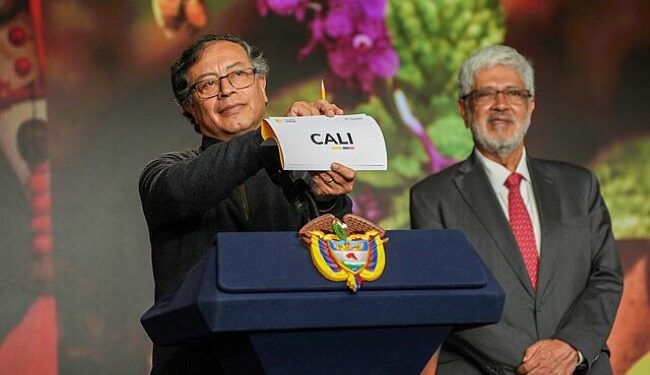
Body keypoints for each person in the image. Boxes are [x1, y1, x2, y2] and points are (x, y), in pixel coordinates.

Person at [139, 33, 356, 374]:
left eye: (238, 75)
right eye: (207, 84)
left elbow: (339, 259)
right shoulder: (163, 175)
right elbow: (187, 190)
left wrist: (328, 201)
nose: (227, 90)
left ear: (262, 85)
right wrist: (272, 135)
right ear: (187, 107)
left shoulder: (300, 177)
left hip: (294, 360)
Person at [410, 45, 623, 375]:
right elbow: (448, 296)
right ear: (464, 110)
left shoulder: (580, 186)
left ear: (531, 105)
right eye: (485, 94)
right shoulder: (432, 198)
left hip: (579, 367)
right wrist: (535, 365)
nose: (501, 105)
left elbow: (606, 276)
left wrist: (569, 347)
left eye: (514, 92)